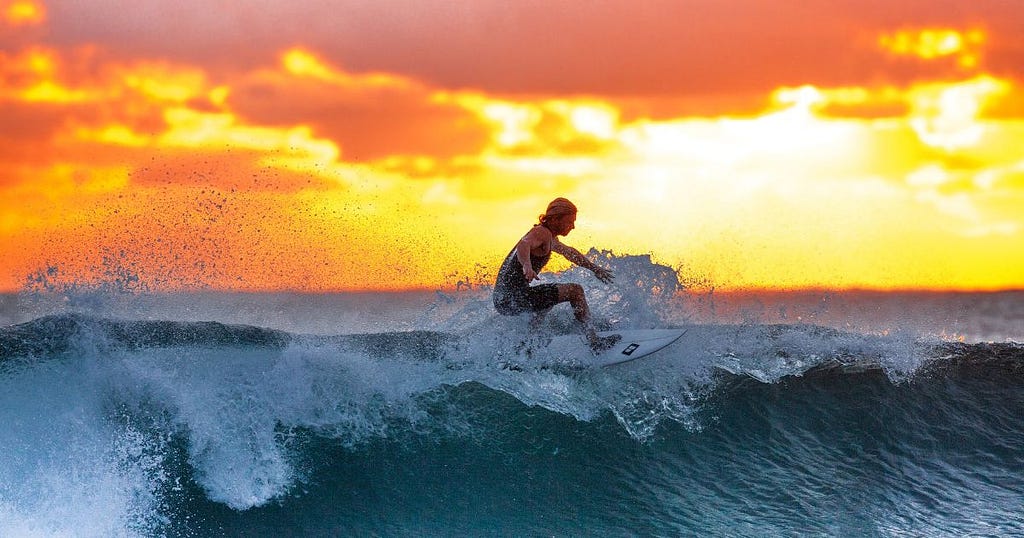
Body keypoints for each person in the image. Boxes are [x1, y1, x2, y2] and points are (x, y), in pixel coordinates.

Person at [493, 197, 621, 352]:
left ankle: (527, 345)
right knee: (575, 291)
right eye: (569, 222)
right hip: (512, 298)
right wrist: (527, 265)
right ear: (555, 219)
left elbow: (570, 253)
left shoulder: (549, 237)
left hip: (504, 300)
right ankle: (594, 341)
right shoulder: (541, 232)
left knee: (548, 299)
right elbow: (523, 244)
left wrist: (594, 268)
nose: (572, 227)